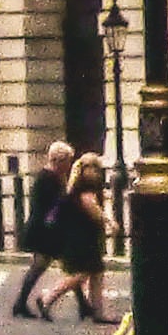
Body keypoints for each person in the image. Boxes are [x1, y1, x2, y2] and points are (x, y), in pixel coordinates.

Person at [9, 138, 78, 315]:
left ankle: (83, 305)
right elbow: (55, 204)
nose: (69, 165)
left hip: (48, 229)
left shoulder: (51, 176)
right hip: (45, 231)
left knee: (69, 266)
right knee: (50, 266)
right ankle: (20, 303)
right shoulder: (48, 178)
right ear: (58, 160)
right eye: (67, 161)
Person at [44, 152, 113, 322]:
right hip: (81, 238)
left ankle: (98, 312)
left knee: (96, 273)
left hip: (84, 236)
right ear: (85, 169)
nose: (97, 172)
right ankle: (47, 299)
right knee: (80, 275)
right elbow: (91, 207)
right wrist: (109, 222)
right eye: (94, 168)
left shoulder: (78, 185)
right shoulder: (85, 187)